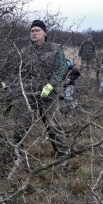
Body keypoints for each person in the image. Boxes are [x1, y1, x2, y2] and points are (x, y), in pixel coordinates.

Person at [8, 20, 69, 162]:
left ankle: (61, 156)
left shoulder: (56, 49)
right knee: (20, 125)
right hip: (28, 93)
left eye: (37, 30)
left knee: (53, 126)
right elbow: (18, 71)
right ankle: (18, 155)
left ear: (44, 33)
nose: (34, 33)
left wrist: (50, 86)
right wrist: (9, 82)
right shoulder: (24, 51)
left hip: (49, 94)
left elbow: (60, 70)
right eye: (32, 31)